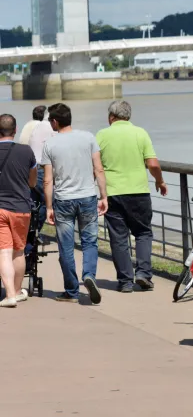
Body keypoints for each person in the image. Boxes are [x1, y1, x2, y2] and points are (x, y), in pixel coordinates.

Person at [96, 100, 167, 293]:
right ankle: (143, 274)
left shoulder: (102, 135)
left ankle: (125, 281)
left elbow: (95, 165)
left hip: (112, 193)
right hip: (139, 191)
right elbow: (153, 164)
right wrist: (160, 181)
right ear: (129, 116)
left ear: (111, 116)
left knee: (118, 238)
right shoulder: (140, 133)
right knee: (143, 233)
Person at [42, 103, 108, 304]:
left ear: (55, 121)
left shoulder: (50, 145)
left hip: (63, 200)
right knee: (90, 242)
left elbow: (47, 180)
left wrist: (49, 207)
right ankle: (89, 275)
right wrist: (104, 196)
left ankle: (71, 291)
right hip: (88, 197)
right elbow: (99, 169)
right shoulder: (88, 137)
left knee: (66, 247)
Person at [0, 114, 37, 308]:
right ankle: (16, 291)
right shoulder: (27, 151)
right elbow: (32, 182)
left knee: (4, 252)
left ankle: (9, 295)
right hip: (22, 208)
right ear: (15, 130)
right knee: (19, 251)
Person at [27, 107, 56, 228]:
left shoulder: (38, 127)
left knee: (35, 202)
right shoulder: (50, 128)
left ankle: (31, 232)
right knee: (50, 201)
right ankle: (35, 228)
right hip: (41, 170)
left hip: (33, 169)